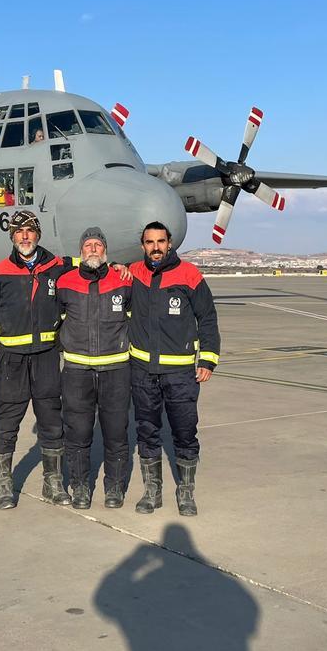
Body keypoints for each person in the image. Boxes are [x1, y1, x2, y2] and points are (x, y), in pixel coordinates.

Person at [0, 210, 73, 509]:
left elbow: (88, 264)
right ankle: (4, 486)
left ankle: (53, 485)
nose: (25, 236)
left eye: (29, 230)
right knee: (5, 424)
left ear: (38, 234)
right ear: (12, 236)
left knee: (52, 423)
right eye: (19, 231)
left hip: (45, 359)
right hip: (11, 361)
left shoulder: (56, 267)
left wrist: (117, 266)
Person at [127, 221, 220, 516]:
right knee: (147, 431)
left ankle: (186, 491)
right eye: (150, 242)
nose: (155, 247)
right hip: (143, 370)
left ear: (170, 243)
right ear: (143, 245)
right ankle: (151, 491)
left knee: (184, 431)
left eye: (160, 242)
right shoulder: (133, 274)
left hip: (180, 373)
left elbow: (207, 317)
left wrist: (207, 359)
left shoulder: (189, 275)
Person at [56, 227, 133, 509]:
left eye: (98, 245)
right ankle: (80, 487)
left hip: (115, 370)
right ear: (80, 251)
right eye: (88, 244)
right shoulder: (65, 282)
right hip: (77, 371)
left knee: (116, 432)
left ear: (105, 251)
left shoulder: (124, 281)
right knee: (77, 433)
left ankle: (114, 487)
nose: (92, 249)